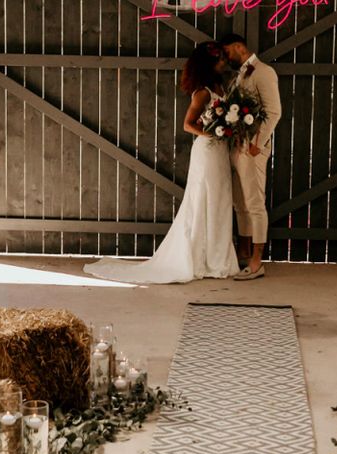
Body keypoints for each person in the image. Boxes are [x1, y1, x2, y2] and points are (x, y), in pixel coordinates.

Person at [84, 42, 239, 284]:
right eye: (219, 59)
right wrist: (215, 133)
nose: (223, 62)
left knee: (219, 199)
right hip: (208, 151)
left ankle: (217, 256)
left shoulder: (220, 86)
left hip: (219, 152)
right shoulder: (203, 92)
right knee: (203, 200)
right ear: (210, 64)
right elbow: (188, 124)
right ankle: (200, 258)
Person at [220, 33, 282, 280]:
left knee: (255, 204)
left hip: (253, 149)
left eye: (227, 52)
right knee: (240, 204)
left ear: (239, 47)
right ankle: (244, 253)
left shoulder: (264, 72)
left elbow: (274, 111)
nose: (226, 58)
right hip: (237, 147)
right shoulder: (239, 76)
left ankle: (257, 261)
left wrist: (257, 144)